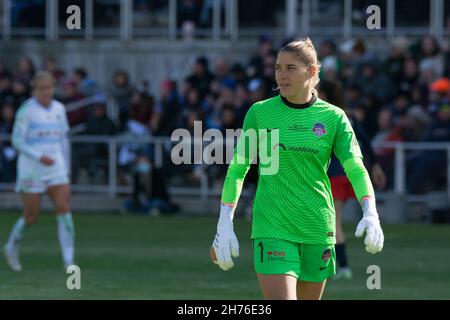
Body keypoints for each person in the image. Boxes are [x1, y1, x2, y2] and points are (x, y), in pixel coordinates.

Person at [210, 38, 384, 300]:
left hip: (318, 228)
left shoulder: (334, 117)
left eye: (291, 68)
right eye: (278, 67)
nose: (281, 75)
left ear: (312, 71)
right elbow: (238, 169)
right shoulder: (260, 112)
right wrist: (224, 222)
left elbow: (356, 168)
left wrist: (371, 212)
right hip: (273, 227)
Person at [3, 71, 75, 271]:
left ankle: (69, 261)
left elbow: (64, 140)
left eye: (49, 88)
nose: (46, 92)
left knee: (64, 209)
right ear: (35, 90)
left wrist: (66, 168)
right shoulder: (27, 110)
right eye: (41, 88)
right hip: (32, 170)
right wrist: (38, 156)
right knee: (30, 217)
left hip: (56, 168)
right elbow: (17, 141)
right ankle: (11, 246)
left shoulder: (60, 109)